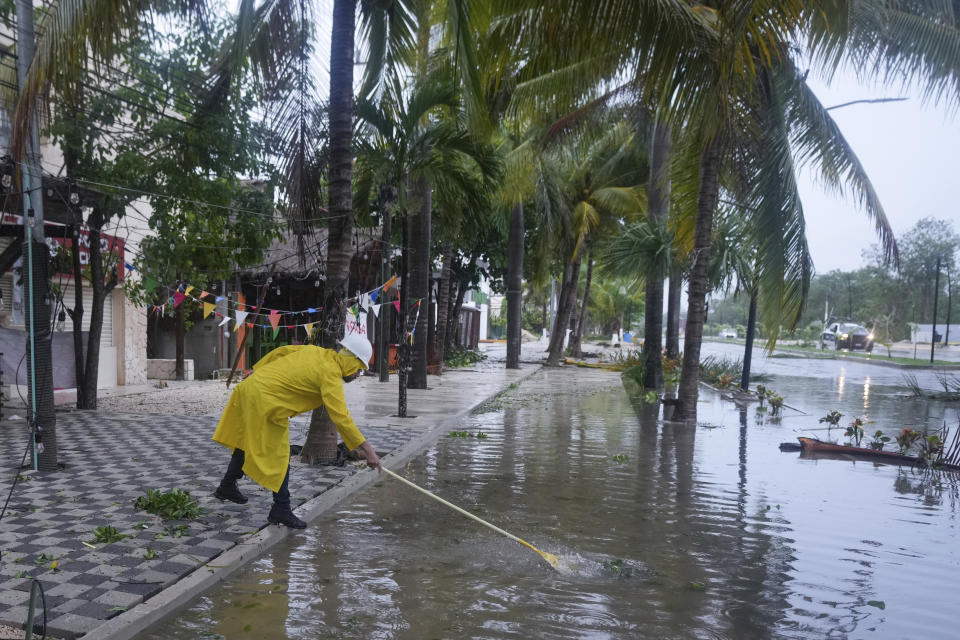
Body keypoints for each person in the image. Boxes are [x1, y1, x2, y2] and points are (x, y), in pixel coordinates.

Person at [212, 333, 381, 529]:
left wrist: (257, 372)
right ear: (352, 361)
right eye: (359, 369)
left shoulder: (317, 352)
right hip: (265, 401)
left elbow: (280, 353)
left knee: (247, 442)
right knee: (281, 455)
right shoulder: (331, 373)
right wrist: (368, 451)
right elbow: (341, 417)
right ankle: (281, 508)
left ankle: (227, 486)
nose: (358, 375)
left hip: (250, 388)